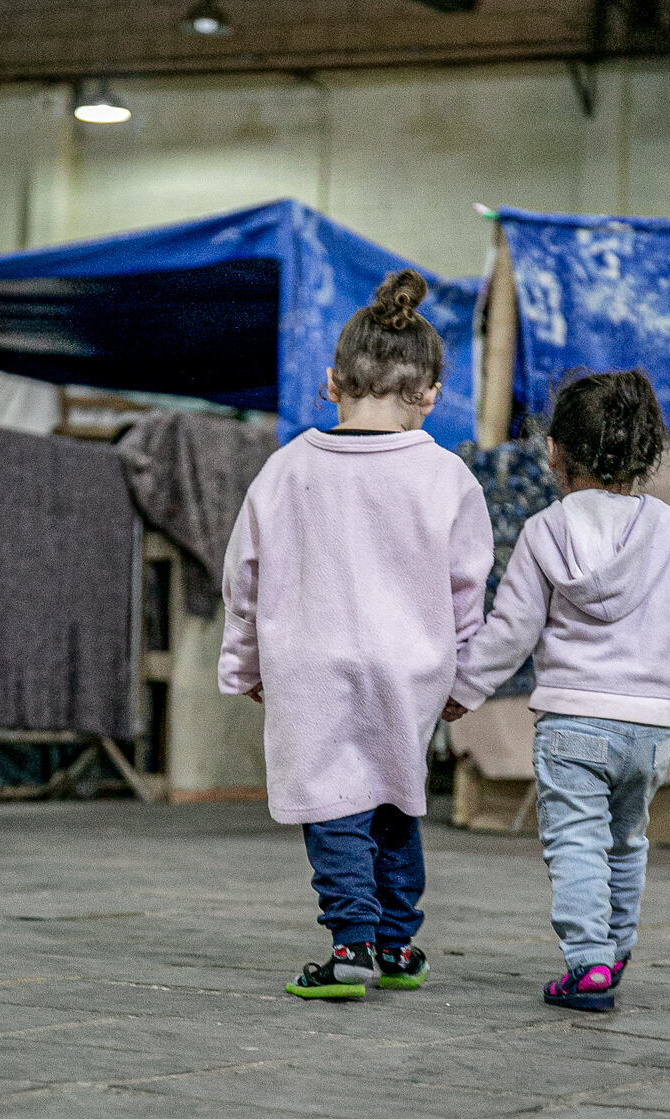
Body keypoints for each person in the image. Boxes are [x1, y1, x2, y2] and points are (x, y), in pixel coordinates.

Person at [218, 269, 493, 999]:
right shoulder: (447, 477)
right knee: (397, 796)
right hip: (411, 668)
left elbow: (243, 580)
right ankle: (398, 947)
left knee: (334, 799)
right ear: (431, 393)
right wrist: (465, 681)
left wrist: (242, 666)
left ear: (332, 382)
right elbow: (468, 591)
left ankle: (350, 949)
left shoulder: (285, 471)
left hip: (308, 662)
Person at [443, 370, 670, 1011]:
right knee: (627, 840)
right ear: (647, 452)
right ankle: (615, 950)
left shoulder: (545, 532)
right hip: (651, 725)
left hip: (572, 726)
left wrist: (463, 690)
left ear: (556, 452)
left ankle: (587, 960)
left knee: (576, 841)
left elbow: (510, 632)